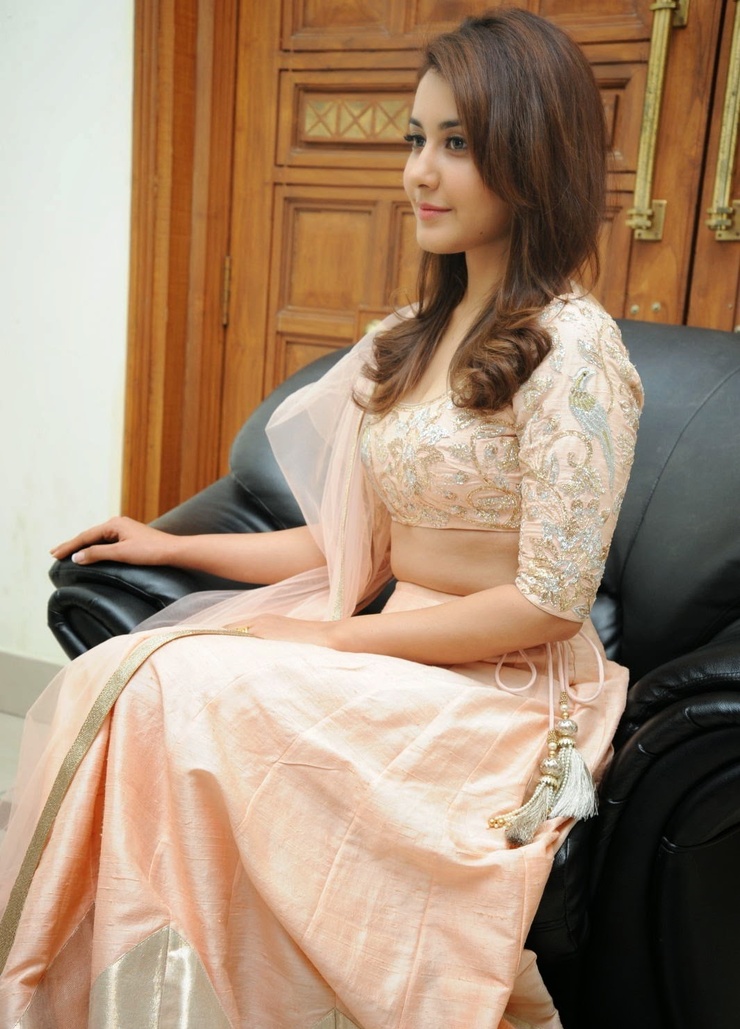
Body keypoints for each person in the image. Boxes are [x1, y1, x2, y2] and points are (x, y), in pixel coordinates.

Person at [0, 9, 642, 1028]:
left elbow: (550, 604)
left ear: (531, 155)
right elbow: (350, 546)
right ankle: (94, 990)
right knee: (122, 675)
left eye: (458, 143)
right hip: (392, 654)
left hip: (504, 689)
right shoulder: (407, 339)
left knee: (177, 686)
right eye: (415, 139)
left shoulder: (574, 352)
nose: (420, 172)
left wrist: (337, 638)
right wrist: (173, 543)